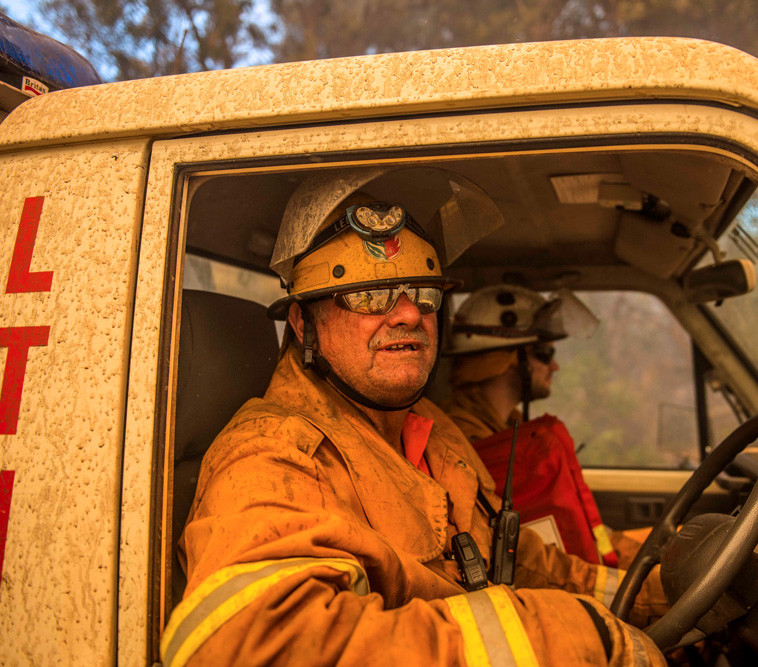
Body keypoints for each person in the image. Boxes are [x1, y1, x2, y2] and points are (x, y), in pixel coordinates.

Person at [162, 175, 667, 667]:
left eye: (423, 293)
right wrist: (568, 638)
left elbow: (524, 562)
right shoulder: (273, 457)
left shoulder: (430, 426)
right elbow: (250, 645)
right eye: (367, 294)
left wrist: (656, 592)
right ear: (302, 323)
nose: (408, 315)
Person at [441, 286, 619, 566]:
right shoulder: (460, 440)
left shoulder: (509, 427)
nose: (555, 366)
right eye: (544, 353)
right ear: (507, 359)